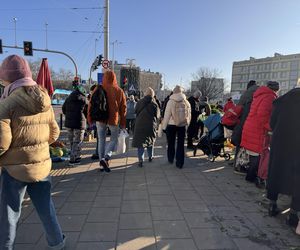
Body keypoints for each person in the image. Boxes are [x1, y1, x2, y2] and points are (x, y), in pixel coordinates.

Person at [0, 55, 65, 249]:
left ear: (7, 79)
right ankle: (57, 243)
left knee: (9, 214)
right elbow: (54, 132)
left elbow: (2, 143)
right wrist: (38, 146)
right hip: (42, 167)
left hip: (14, 170)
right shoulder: (44, 99)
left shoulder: (6, 104)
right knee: (46, 208)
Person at [266, 84, 300, 233]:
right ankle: (293, 214)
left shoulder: (281, 101)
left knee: (276, 171)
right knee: (297, 177)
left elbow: (272, 123)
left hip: (281, 142)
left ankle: (272, 204)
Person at [240, 81, 279, 182]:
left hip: (251, 126)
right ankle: (251, 177)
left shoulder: (259, 95)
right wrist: (271, 127)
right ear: (276, 89)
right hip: (257, 129)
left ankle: (250, 175)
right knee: (257, 154)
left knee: (253, 154)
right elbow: (262, 115)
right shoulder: (270, 97)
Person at [95, 70, 126, 172]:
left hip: (100, 118)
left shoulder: (98, 88)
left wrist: (90, 118)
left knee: (101, 140)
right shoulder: (119, 91)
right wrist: (123, 124)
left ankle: (101, 162)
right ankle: (106, 157)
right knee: (113, 140)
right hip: (114, 118)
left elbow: (91, 104)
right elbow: (123, 109)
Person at [231, 80, 259, 174]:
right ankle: (244, 166)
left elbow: (238, 109)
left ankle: (237, 165)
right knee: (250, 147)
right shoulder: (259, 94)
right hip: (253, 124)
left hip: (242, 122)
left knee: (240, 144)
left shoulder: (245, 95)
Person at [162, 85, 191, 168]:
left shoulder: (170, 101)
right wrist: (187, 124)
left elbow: (167, 115)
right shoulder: (186, 102)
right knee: (180, 144)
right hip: (182, 125)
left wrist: (164, 127)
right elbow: (189, 115)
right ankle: (180, 163)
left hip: (171, 125)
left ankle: (171, 158)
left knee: (171, 143)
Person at [132, 87, 160, 167]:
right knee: (150, 141)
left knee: (141, 143)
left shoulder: (139, 102)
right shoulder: (154, 104)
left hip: (139, 125)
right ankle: (150, 156)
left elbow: (136, 111)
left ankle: (140, 160)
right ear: (153, 94)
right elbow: (157, 115)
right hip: (150, 125)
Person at [62, 80, 87, 165]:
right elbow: (87, 112)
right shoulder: (84, 99)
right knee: (78, 141)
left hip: (69, 124)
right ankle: (74, 159)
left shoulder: (68, 98)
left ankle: (74, 157)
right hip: (79, 123)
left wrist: (69, 116)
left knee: (72, 141)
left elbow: (63, 109)